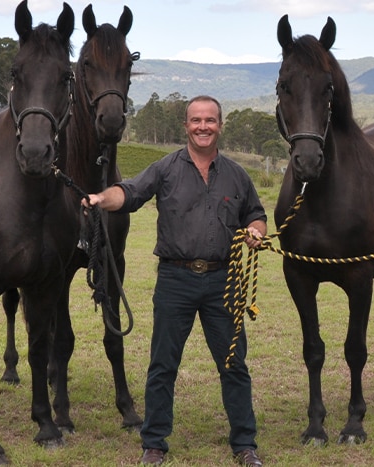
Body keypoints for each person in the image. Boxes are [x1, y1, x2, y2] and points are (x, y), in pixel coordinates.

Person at [83, 95, 267, 466]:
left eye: (210, 120)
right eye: (196, 120)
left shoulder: (236, 174)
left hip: (223, 282)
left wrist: (255, 230)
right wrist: (102, 198)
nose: (203, 127)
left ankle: (245, 444)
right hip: (175, 280)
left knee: (234, 364)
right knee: (163, 364)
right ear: (186, 126)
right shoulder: (165, 168)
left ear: (220, 125)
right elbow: (130, 192)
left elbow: (257, 213)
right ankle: (154, 443)